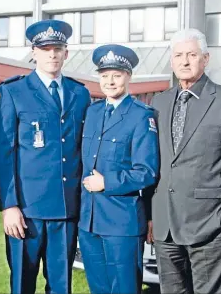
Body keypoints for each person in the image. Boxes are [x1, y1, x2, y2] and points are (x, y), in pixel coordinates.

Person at [147, 28, 221, 294]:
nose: (185, 61)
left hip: (211, 226)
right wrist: (151, 215)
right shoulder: (158, 103)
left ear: (205, 59)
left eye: (192, 55)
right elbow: (157, 163)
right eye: (178, 55)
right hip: (166, 228)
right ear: (172, 61)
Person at [0, 19, 91, 294]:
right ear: (33, 52)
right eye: (45, 48)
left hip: (66, 207)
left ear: (66, 53)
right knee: (22, 284)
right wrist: (8, 206)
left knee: (61, 287)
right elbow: (4, 154)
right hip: (26, 210)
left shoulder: (79, 93)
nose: (52, 54)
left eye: (57, 48)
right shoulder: (13, 91)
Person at [78, 44, 159, 294]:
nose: (110, 82)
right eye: (104, 76)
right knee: (99, 289)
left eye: (116, 75)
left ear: (128, 76)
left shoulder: (141, 116)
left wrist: (107, 182)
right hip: (89, 221)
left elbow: (147, 171)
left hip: (121, 222)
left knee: (124, 289)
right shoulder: (92, 112)